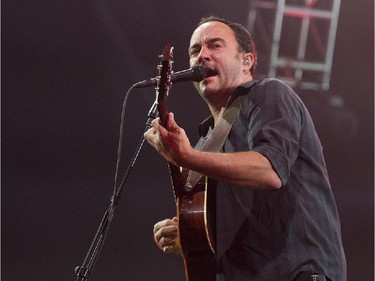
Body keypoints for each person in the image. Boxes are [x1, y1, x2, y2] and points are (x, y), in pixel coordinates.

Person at [144, 16, 347, 281]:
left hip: (299, 272)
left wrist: (189, 157)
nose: (202, 56)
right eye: (195, 50)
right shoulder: (205, 140)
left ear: (246, 61)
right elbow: (230, 225)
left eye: (215, 45)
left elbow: (269, 171)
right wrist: (189, 237)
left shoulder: (269, 94)